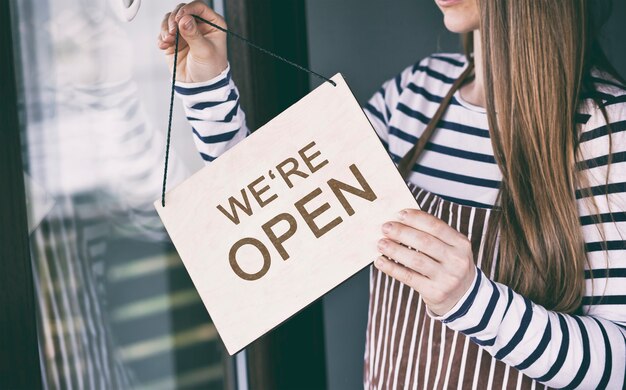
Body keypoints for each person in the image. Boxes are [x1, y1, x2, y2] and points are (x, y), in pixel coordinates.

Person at [158, 1, 626, 388]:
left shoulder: (608, 131)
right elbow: (261, 203)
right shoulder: (416, 94)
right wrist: (207, 80)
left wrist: (473, 300)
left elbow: (619, 365)